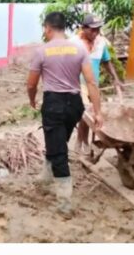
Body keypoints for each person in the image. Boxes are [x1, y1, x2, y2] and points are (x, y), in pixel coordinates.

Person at [27, 12, 103, 214]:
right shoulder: (79, 48)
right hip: (74, 105)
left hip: (54, 104)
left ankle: (64, 201)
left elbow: (31, 83)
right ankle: (45, 177)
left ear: (48, 28)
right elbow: (91, 82)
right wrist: (98, 111)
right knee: (58, 142)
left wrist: (32, 98)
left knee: (59, 151)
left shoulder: (42, 51)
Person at [73, 13, 124, 155]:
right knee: (86, 112)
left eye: (98, 29)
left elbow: (106, 62)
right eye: (92, 30)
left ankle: (82, 142)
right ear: (84, 28)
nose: (95, 33)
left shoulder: (101, 42)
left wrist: (115, 78)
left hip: (93, 86)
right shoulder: (74, 43)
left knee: (93, 113)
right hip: (78, 84)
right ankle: (82, 142)